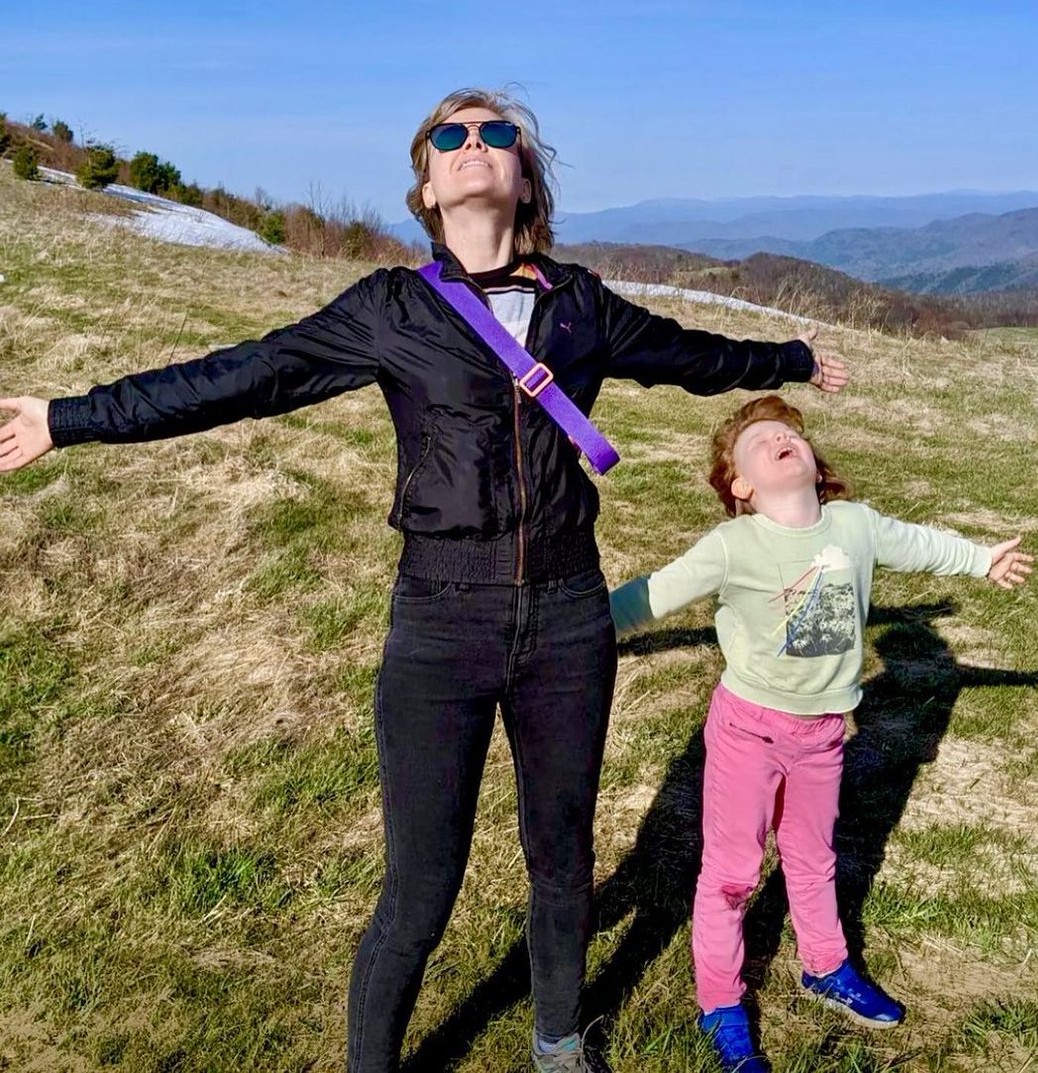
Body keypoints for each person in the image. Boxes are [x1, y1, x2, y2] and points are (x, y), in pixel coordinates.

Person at [0, 88, 848, 1073]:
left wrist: (787, 355)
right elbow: (240, 377)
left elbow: (694, 354)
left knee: (561, 859)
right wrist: (70, 418)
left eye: (499, 134)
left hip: (568, 616)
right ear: (427, 183)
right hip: (439, 625)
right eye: (452, 133)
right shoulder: (387, 310)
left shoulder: (580, 306)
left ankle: (558, 1042)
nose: (475, 143)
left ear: (523, 178)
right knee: (419, 888)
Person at [608, 394, 1033, 1072]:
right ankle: (721, 1002)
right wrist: (582, 625)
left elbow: (919, 543)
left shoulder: (855, 526)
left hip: (825, 733)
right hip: (748, 729)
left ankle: (825, 967)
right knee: (732, 872)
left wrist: (982, 560)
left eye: (790, 434)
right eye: (760, 439)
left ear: (811, 461)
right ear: (739, 485)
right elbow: (652, 595)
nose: (782, 439)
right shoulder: (733, 544)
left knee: (811, 856)